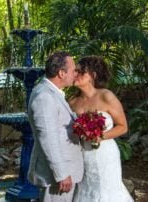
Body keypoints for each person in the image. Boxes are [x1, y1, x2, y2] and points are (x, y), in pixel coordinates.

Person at [69, 56, 134, 202]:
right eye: (75, 71)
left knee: (107, 191)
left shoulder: (106, 96)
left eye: (80, 72)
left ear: (93, 75)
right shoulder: (72, 101)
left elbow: (123, 127)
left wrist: (100, 137)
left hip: (105, 155)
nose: (75, 74)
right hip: (82, 155)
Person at [27, 51, 84, 202]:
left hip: (65, 172)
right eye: (73, 70)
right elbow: (48, 139)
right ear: (61, 73)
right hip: (57, 177)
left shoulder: (52, 92)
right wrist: (61, 174)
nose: (76, 73)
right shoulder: (45, 97)